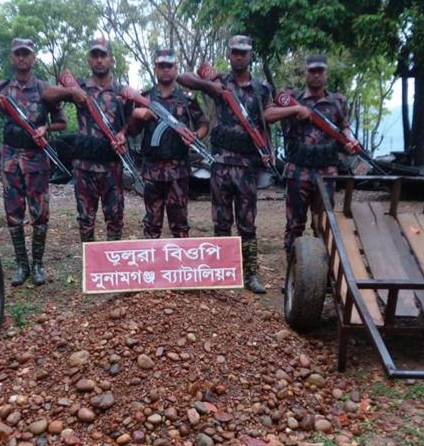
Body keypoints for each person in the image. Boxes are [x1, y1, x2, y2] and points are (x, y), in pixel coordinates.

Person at [177, 35, 272, 294]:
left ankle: (250, 274)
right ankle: (222, 270)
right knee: (221, 222)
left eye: (243, 52)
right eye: (235, 52)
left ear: (249, 55)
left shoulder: (261, 89)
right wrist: (209, 87)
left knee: (248, 223)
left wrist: (269, 152)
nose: (239, 56)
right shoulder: (219, 82)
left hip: (248, 165)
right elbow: (183, 78)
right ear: (229, 54)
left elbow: (264, 125)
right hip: (220, 162)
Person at [0, 38, 67, 286]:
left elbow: (62, 121)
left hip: (36, 158)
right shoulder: (0, 88)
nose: (22, 58)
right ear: (12, 58)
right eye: (18, 54)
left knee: (40, 214)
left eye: (27, 53)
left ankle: (37, 265)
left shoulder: (45, 89)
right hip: (11, 158)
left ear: (33, 57)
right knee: (13, 214)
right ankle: (21, 266)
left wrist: (46, 127)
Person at [264, 54, 359, 255]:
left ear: (326, 73)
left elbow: (344, 127)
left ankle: (322, 274)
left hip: (326, 173)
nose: (316, 75)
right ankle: (293, 274)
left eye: (320, 71)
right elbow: (268, 116)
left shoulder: (338, 101)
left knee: (324, 225)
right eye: (312, 71)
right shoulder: (293, 98)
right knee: (294, 225)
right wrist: (295, 110)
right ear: (306, 73)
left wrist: (350, 141)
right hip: (298, 171)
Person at [44, 39, 132, 242]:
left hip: (112, 166)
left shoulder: (122, 92)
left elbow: (129, 121)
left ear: (111, 59)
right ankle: (90, 267)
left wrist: (123, 133)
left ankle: (113, 266)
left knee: (115, 218)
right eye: (95, 56)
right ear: (89, 60)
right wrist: (71, 91)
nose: (99, 60)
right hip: (84, 166)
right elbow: (47, 94)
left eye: (103, 56)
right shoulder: (80, 87)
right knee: (85, 219)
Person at [127, 48, 208, 239]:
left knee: (180, 225)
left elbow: (203, 124)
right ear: (155, 68)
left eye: (169, 65)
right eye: (161, 65)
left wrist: (194, 136)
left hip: (178, 171)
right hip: (152, 171)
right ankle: (152, 267)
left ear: (175, 68)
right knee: (151, 225)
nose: (165, 69)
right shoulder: (144, 97)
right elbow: (132, 131)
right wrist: (137, 115)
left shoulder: (186, 99)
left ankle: (180, 266)